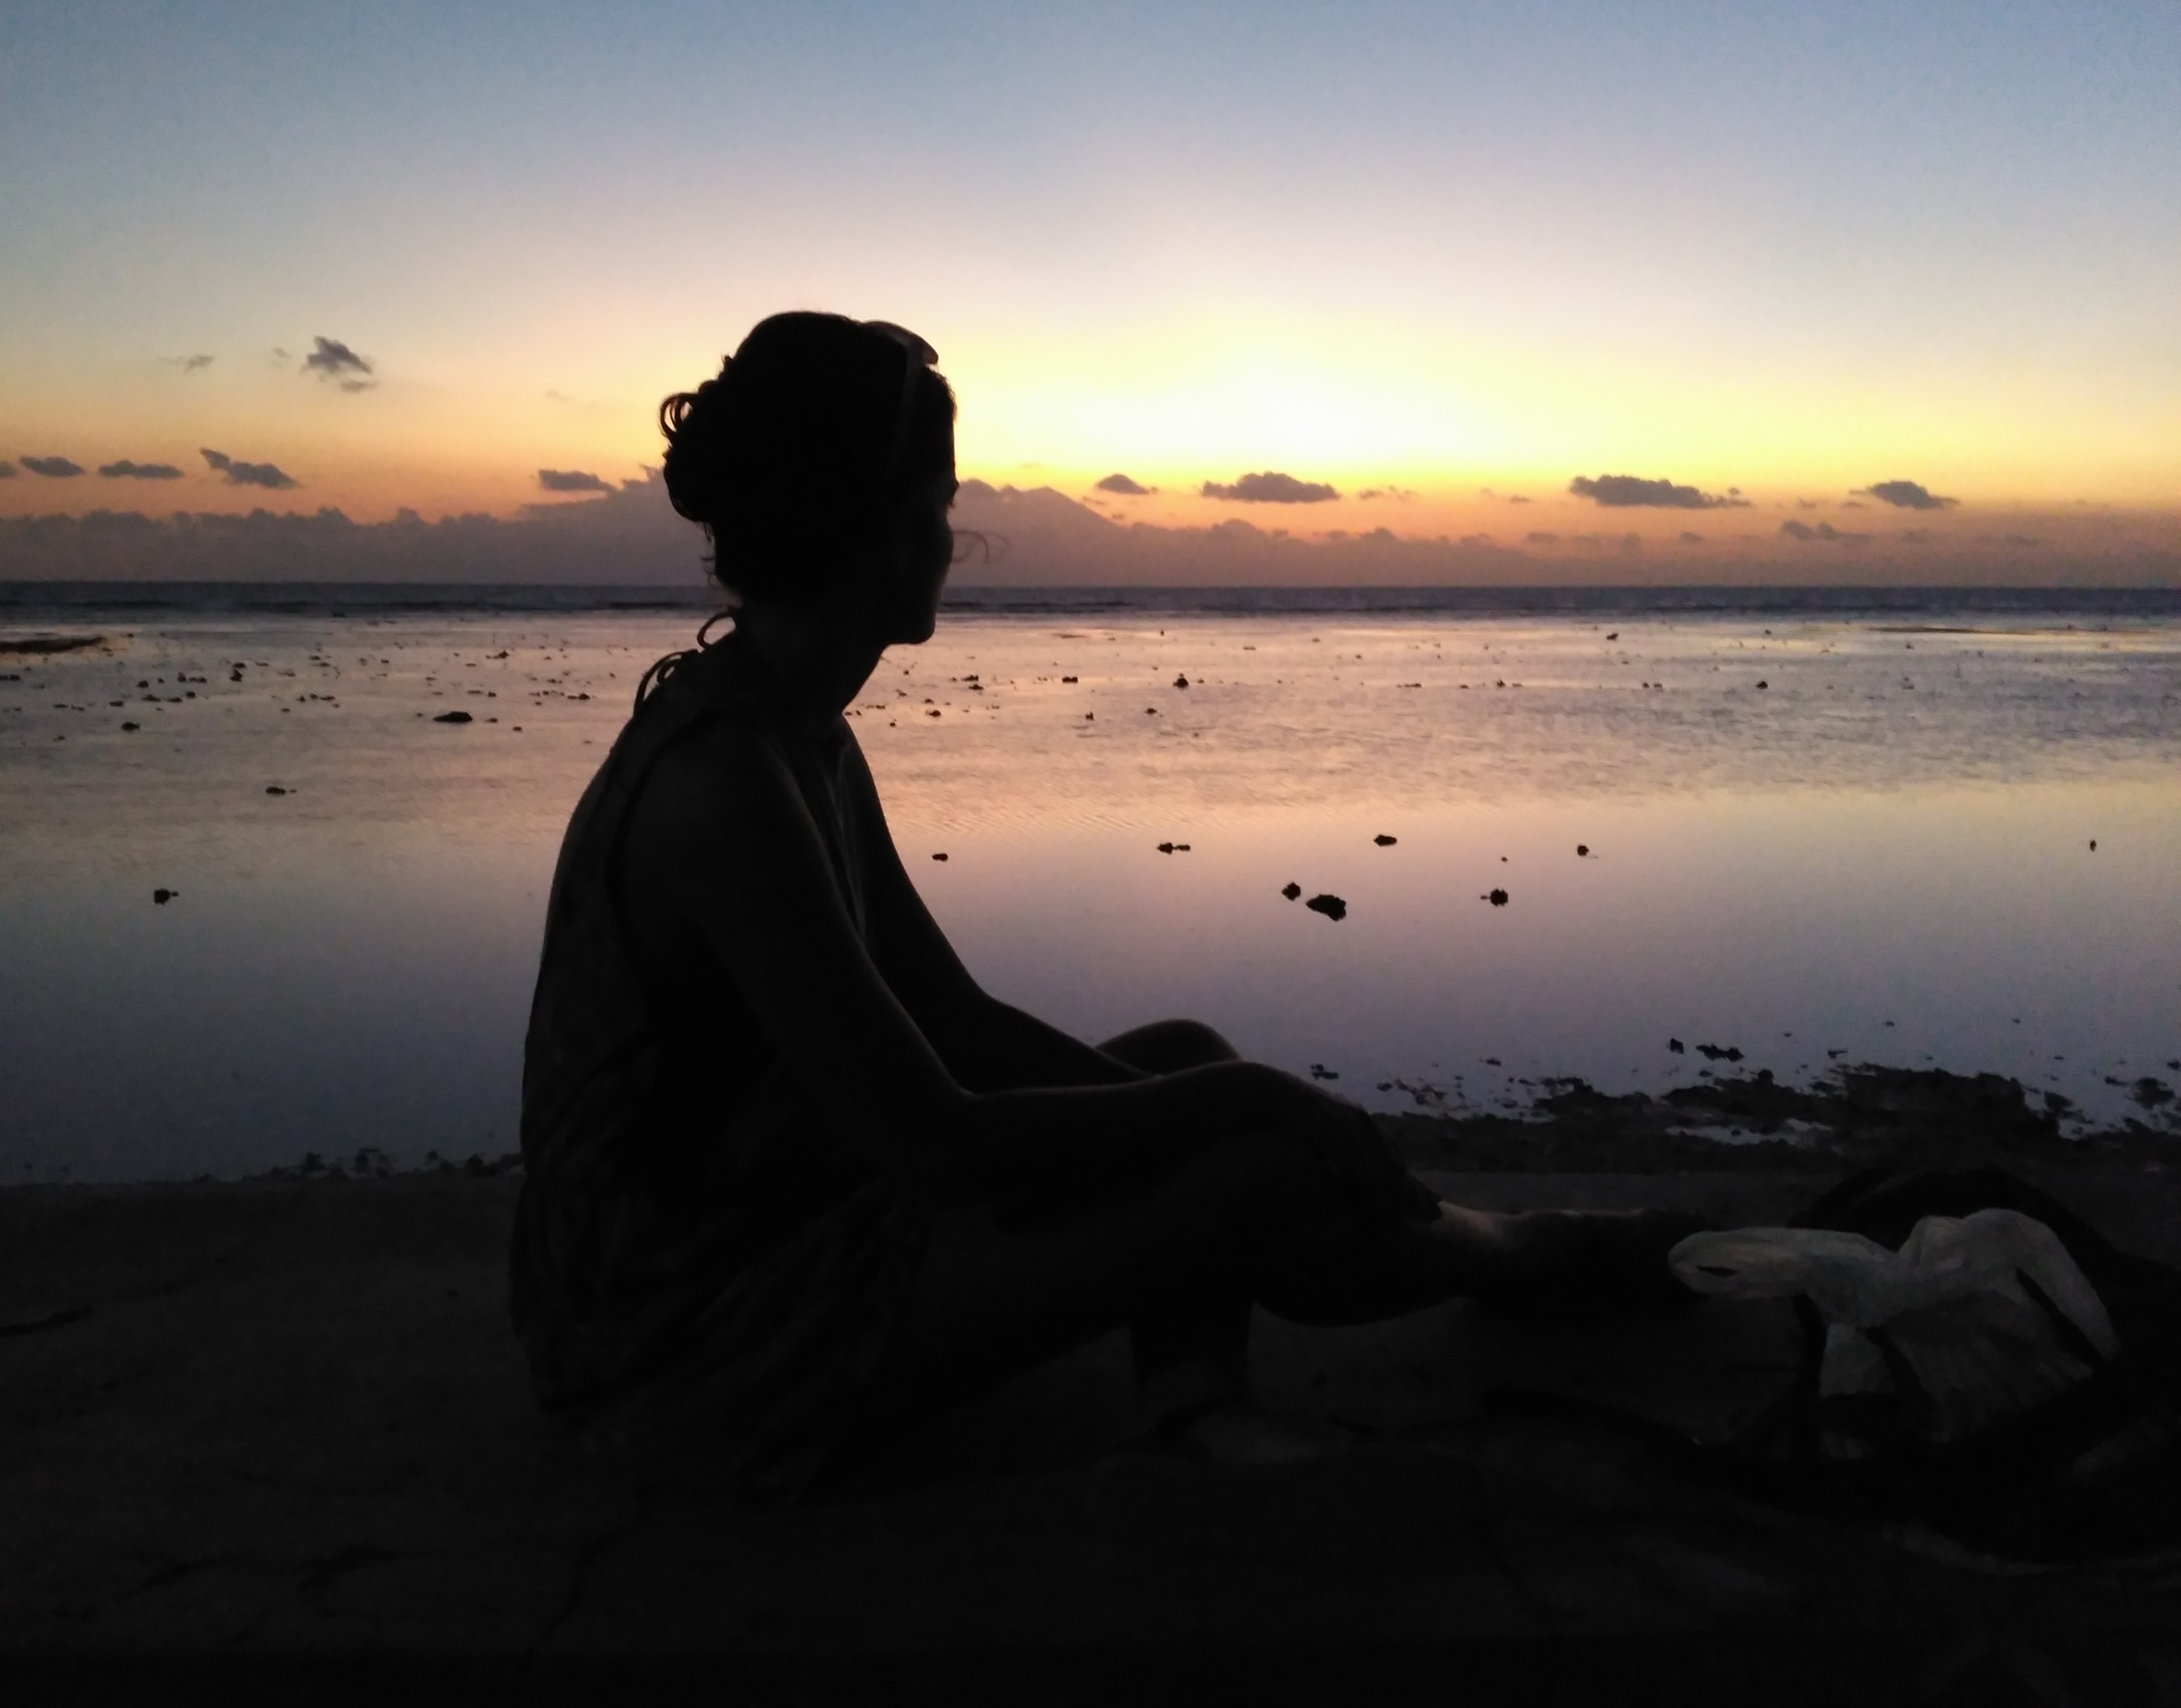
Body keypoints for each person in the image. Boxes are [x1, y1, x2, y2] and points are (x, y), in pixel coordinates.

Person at [511, 311, 1693, 1500]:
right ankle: (1540, 1254)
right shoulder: (724, 786)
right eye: (939, 504)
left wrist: (1217, 1106)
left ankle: (1206, 1401)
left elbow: (955, 1021)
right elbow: (936, 1142)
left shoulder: (796, 734)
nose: (951, 538)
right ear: (874, 528)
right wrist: (1256, 1107)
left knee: (1184, 1063)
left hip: (781, 1225)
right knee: (1237, 1149)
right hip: (677, 1344)